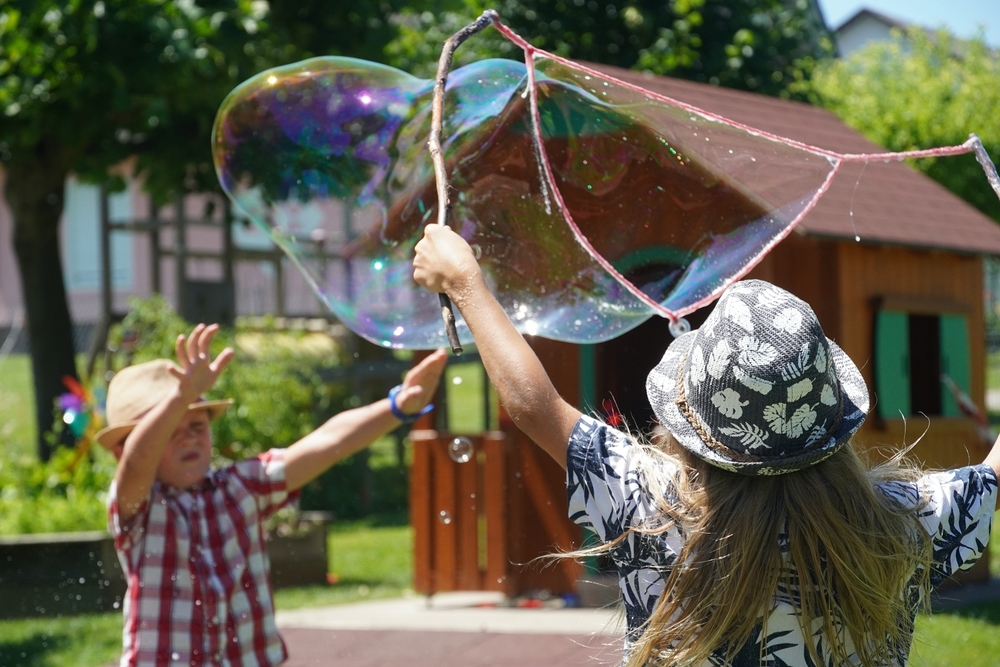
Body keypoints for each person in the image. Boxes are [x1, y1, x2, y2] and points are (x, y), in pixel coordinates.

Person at [412, 223, 999, 667]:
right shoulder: (906, 521)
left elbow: (533, 405)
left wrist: (465, 282)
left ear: (693, 424)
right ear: (829, 416)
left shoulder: (651, 503)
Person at [94, 323, 447, 667]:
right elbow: (138, 461)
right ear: (120, 451)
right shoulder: (138, 506)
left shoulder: (240, 487)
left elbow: (328, 442)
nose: (188, 438)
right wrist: (180, 398)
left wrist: (398, 406)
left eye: (197, 425)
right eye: (172, 429)